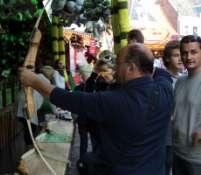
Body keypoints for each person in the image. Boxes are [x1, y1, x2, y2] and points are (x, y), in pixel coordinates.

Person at [20, 43, 173, 175]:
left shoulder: (116, 101)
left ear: (131, 68)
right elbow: (162, 73)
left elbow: (68, 99)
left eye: (118, 64)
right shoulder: (165, 90)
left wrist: (34, 80)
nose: (116, 69)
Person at [173, 35, 201, 175]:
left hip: (197, 158)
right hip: (178, 152)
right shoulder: (180, 81)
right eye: (184, 53)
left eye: (193, 52)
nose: (188, 57)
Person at [162, 40, 184, 175]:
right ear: (167, 59)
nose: (181, 58)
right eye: (176, 55)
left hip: (181, 139)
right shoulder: (163, 81)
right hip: (167, 139)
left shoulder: (184, 79)